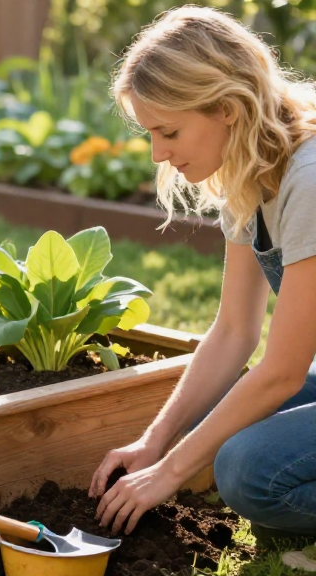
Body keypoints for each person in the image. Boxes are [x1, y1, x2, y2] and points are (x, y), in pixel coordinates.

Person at [87, 5, 316, 552]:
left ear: (227, 108)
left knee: (244, 469)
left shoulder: (309, 181)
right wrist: (155, 443)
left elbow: (283, 373)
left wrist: (168, 473)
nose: (158, 153)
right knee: (207, 430)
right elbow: (234, 331)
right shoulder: (251, 167)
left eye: (169, 131)